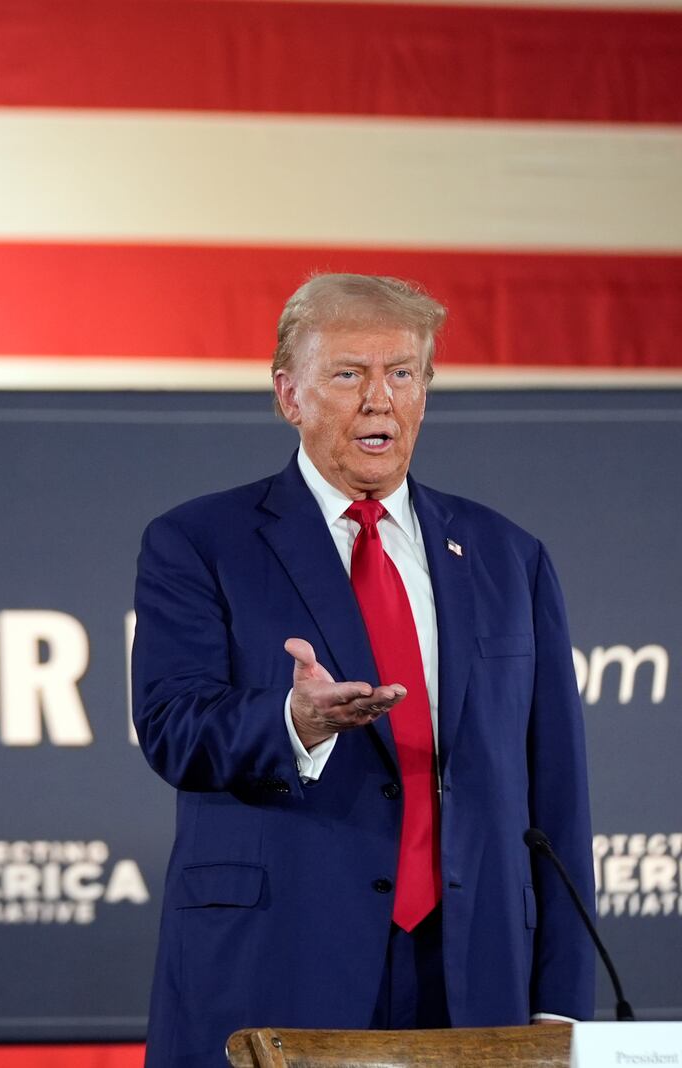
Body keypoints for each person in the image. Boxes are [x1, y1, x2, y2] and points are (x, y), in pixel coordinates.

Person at [130, 274, 593, 1066]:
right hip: (281, 956)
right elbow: (172, 728)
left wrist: (563, 1002)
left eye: (402, 373)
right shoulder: (200, 541)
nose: (380, 399)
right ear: (290, 394)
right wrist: (292, 721)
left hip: (473, 972)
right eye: (349, 374)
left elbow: (556, 794)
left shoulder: (507, 556)